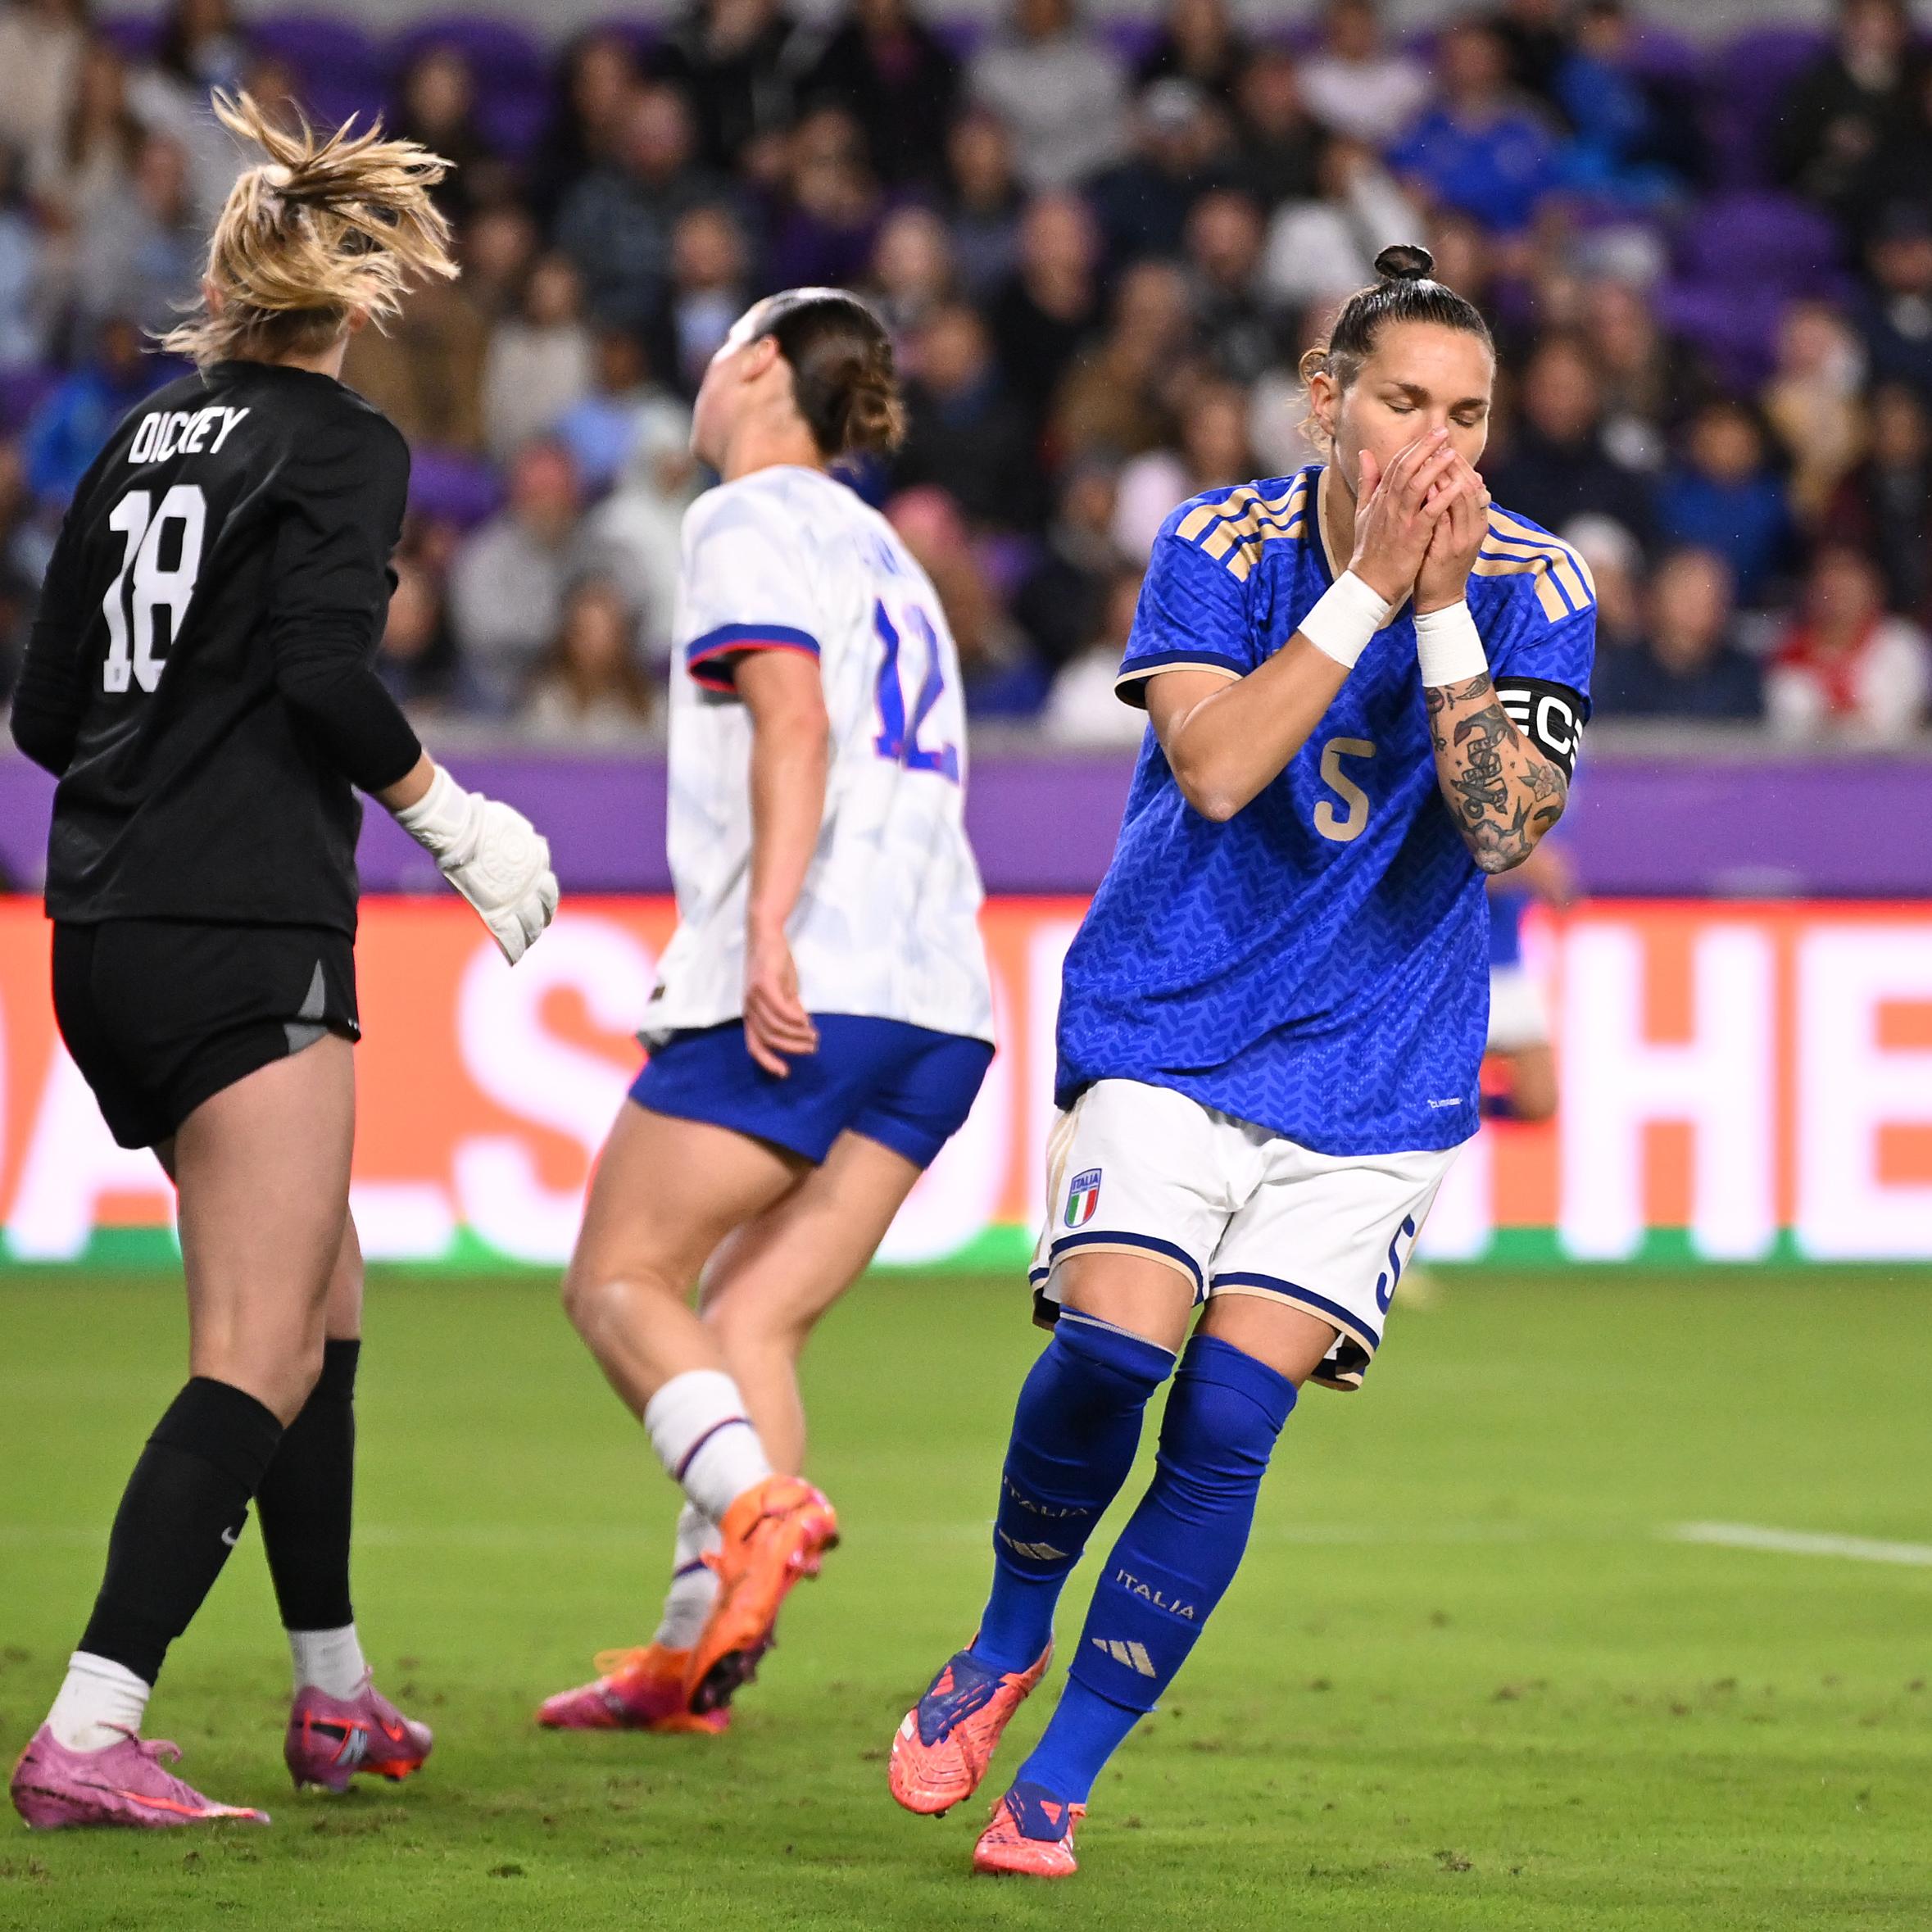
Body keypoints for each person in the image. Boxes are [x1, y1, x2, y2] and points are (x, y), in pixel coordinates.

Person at [887, 246, 1595, 1878]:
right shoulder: (1219, 542)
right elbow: (1212, 769)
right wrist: (1369, 595)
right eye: (1406, 402)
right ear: (1327, 399)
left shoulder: (1541, 585)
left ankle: (1060, 1778)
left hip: (1374, 1074)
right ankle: (1007, 1635)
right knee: (1118, 1356)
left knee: (1224, 1417)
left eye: (1470, 415)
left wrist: (1439, 622)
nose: (1441, 445)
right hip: (1172, 1022)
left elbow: (1503, 833)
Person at [6, 93, 560, 1832]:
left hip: (100, 922)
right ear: (354, 297)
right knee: (256, 1347)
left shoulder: (133, 441)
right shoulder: (339, 444)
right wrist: (456, 819)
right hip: (240, 927)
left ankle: (331, 1695)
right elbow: (328, 678)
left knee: (320, 1301)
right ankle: (90, 1726)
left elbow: (39, 719)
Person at [537, 289, 995, 1735]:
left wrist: (771, 934)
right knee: (753, 1321)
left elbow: (787, 715)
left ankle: (757, 1507)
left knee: (618, 1278)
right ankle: (696, 1648)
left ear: (751, 364)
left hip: (821, 970)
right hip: (942, 1003)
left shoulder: (743, 518)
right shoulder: (892, 555)